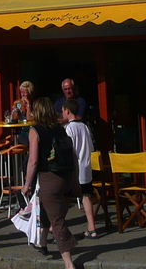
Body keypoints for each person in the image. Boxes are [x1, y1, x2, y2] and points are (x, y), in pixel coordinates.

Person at [22, 96, 77, 269]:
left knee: (57, 221)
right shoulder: (60, 129)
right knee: (46, 208)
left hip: (49, 177)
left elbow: (33, 161)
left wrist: (26, 184)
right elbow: (73, 154)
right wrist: (75, 180)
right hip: (67, 176)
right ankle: (43, 243)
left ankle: (69, 262)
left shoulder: (35, 130)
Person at [62, 98, 99, 238]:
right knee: (86, 196)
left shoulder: (69, 129)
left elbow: (68, 150)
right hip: (86, 167)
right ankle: (92, 227)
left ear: (67, 111)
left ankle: (58, 228)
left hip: (74, 169)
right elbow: (91, 146)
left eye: (63, 111)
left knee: (65, 199)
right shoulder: (84, 127)